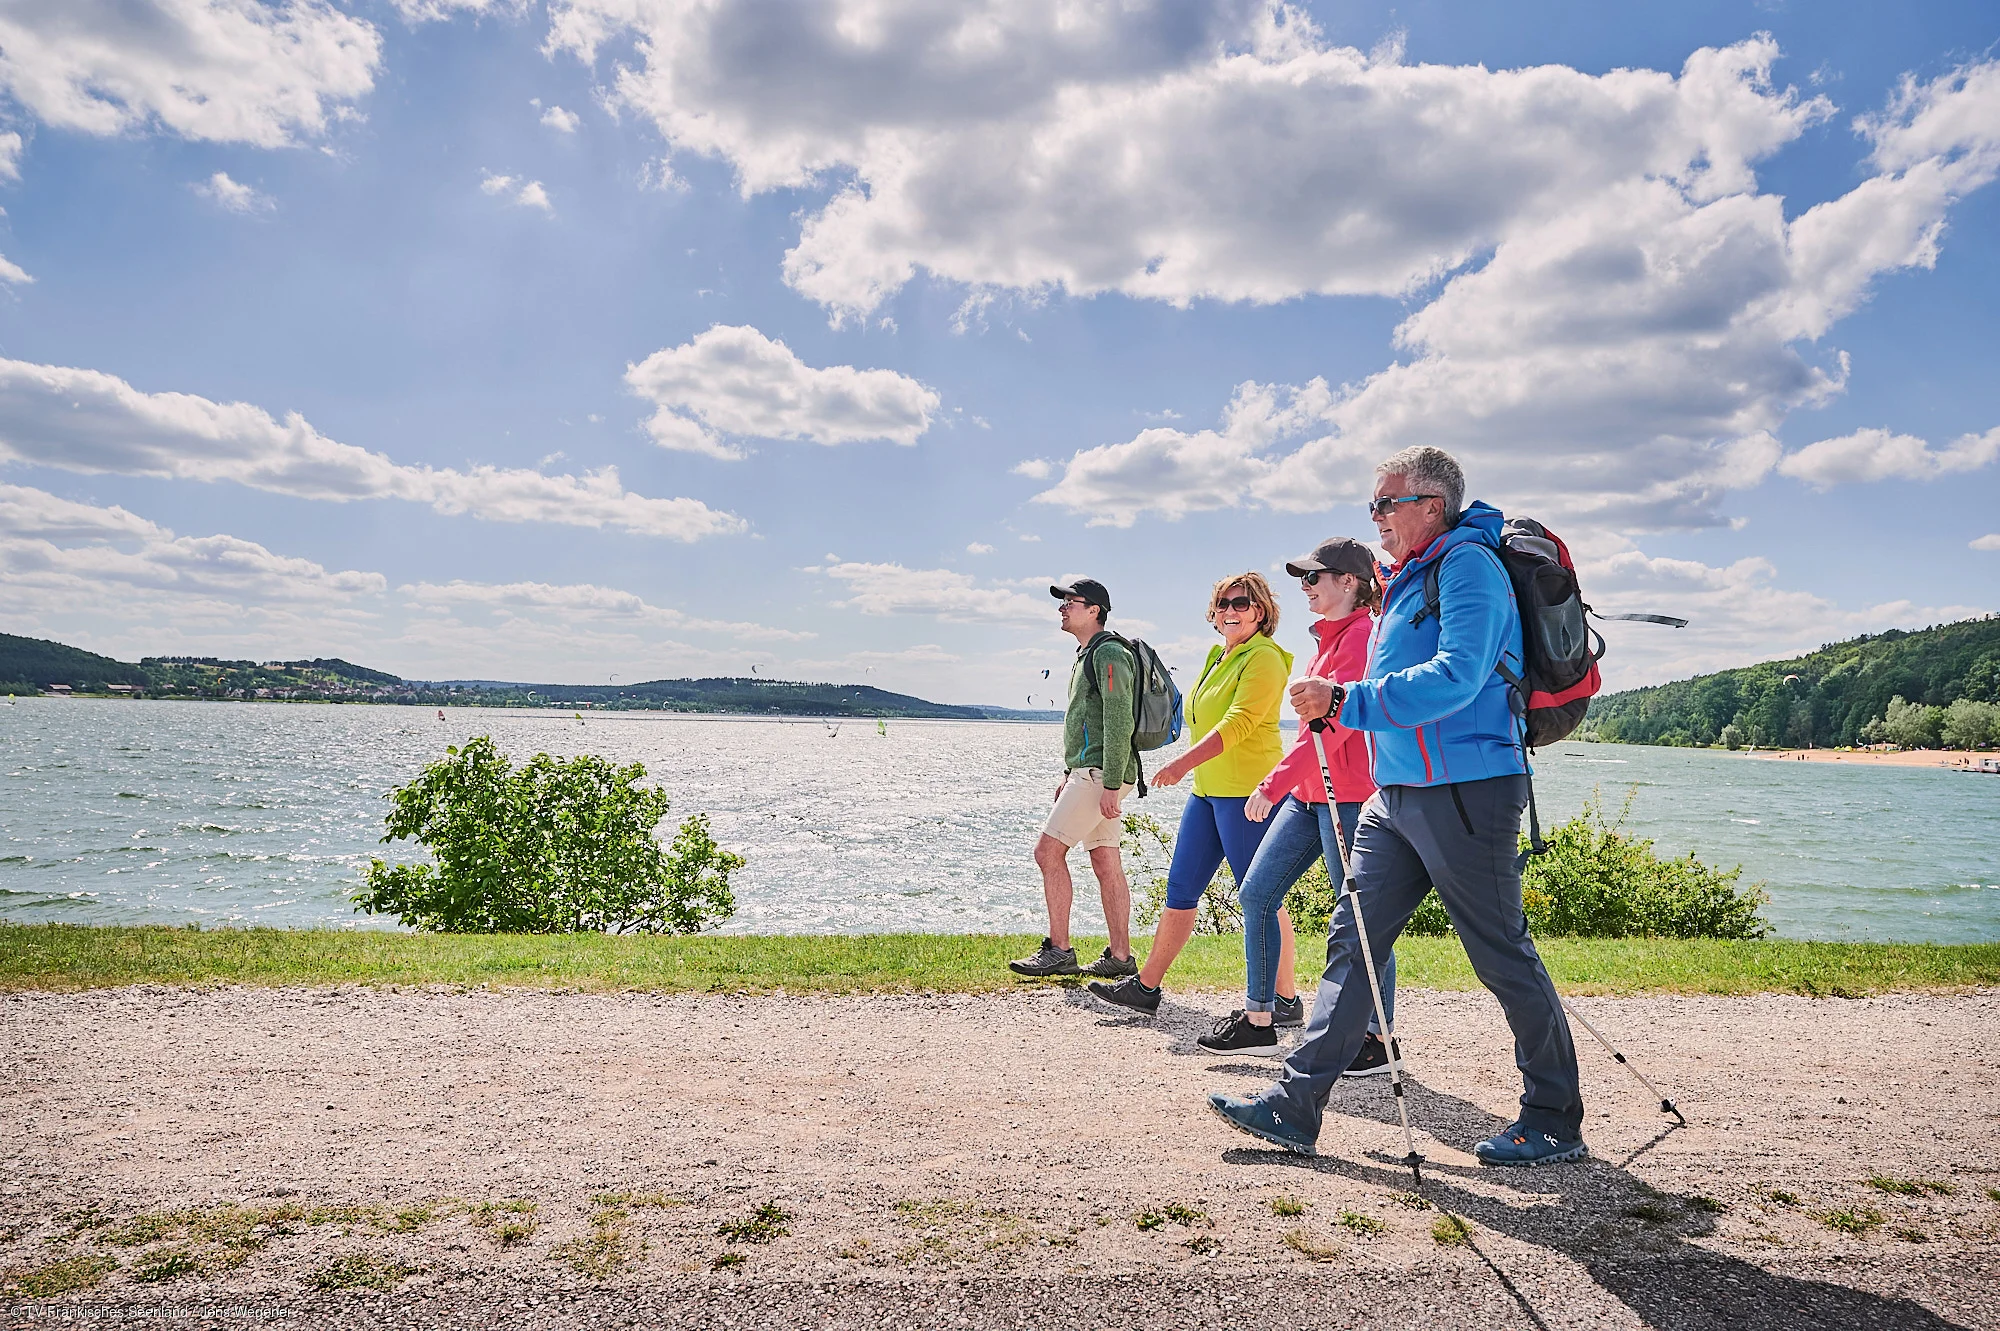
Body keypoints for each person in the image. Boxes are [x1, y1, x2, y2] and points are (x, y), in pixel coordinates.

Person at [1209, 445, 1588, 1167]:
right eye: (1373, 504)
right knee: (1352, 936)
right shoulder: (1408, 579)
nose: (1375, 516)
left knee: (1500, 952)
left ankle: (1553, 1116)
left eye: (1386, 502)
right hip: (1397, 795)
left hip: (1468, 787)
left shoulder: (1467, 567)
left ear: (1431, 506)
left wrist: (1349, 701)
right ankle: (1295, 1104)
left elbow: (1458, 675)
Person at [1195, 537, 1395, 1062]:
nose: (1304, 587)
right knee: (1258, 894)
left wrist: (1271, 783)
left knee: (1359, 915)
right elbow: (1314, 733)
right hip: (1310, 798)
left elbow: (1333, 730)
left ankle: (1377, 1039)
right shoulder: (1325, 642)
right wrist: (1290, 786)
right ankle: (1259, 1019)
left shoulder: (1360, 638)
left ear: (1348, 582)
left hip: (1347, 799)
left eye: (1313, 577)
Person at [1086, 572, 1294, 1022]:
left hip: (1248, 795)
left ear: (1261, 611)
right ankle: (1145, 988)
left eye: (1241, 604)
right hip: (1208, 794)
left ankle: (1287, 999)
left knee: (1262, 897)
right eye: (1223, 604)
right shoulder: (1217, 655)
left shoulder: (1266, 659)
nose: (1231, 612)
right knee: (1180, 890)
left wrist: (1182, 763)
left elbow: (1237, 723)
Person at [1009, 579, 1140, 979]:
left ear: (1095, 610)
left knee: (1047, 853)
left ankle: (1060, 950)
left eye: (1071, 602)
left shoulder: (1110, 654)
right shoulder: (1088, 654)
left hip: (1103, 775)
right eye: (1062, 602)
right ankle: (1120, 958)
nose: (1062, 608)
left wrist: (1112, 784)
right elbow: (1090, 723)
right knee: (1105, 861)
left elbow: (1119, 719)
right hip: (1093, 773)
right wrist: (1069, 774)